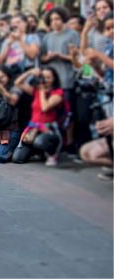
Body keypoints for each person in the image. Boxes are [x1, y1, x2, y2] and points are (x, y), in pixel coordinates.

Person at [41, 6, 80, 158]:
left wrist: (60, 55)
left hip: (67, 79)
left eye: (57, 19)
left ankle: (70, 143)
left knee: (67, 113)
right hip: (51, 82)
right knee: (52, 113)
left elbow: (78, 58)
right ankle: (56, 143)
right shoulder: (47, 37)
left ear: (63, 19)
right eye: (52, 20)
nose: (55, 22)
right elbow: (42, 57)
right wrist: (49, 57)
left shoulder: (73, 34)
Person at [81, 11, 114, 179]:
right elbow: (106, 72)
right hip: (108, 97)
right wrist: (95, 65)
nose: (111, 31)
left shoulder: (105, 51)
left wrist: (99, 55)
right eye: (108, 28)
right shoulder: (110, 47)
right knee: (89, 151)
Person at [13, 67, 65, 166]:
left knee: (39, 142)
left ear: (54, 79)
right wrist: (30, 72)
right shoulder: (36, 90)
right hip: (33, 131)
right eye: (43, 77)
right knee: (17, 158)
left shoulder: (58, 92)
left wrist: (42, 90)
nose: (45, 80)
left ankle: (52, 153)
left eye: (48, 77)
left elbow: (45, 107)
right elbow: (18, 83)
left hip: (49, 130)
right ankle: (39, 152)